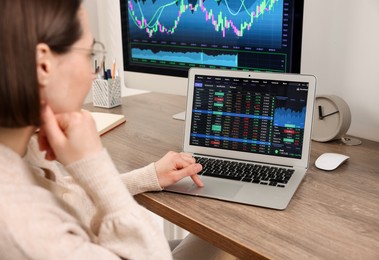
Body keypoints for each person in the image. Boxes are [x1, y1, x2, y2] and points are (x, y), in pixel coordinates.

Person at [0, 0, 237, 259]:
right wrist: (92, 161)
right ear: (43, 65)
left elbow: (65, 202)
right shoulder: (24, 229)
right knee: (236, 235)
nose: (92, 73)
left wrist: (149, 176)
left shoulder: (18, 156)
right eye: (89, 54)